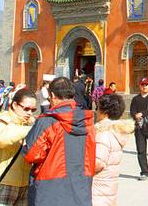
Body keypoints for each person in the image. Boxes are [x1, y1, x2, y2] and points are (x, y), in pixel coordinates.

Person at [23, 77, 96, 206]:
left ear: (52, 95)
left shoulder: (47, 121)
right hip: (81, 187)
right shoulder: (87, 122)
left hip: (49, 190)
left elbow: (31, 154)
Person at [0, 89, 37, 206]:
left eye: (33, 110)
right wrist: (28, 130)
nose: (29, 113)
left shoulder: (30, 123)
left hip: (25, 184)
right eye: (26, 109)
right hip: (5, 182)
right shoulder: (3, 120)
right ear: (14, 105)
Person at [92, 94, 134, 206]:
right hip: (108, 185)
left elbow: (97, 163)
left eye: (98, 108)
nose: (96, 112)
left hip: (98, 188)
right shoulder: (114, 132)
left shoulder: (103, 134)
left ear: (105, 112)